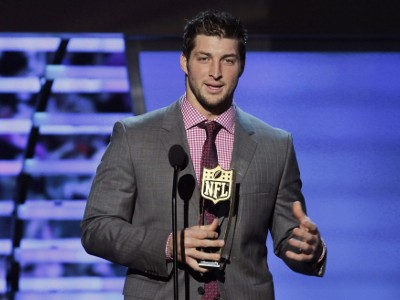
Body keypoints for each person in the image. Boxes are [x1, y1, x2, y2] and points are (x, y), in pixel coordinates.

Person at [81, 10, 327, 300]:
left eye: (228, 60)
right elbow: (97, 228)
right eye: (204, 58)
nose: (215, 72)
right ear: (184, 62)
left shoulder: (275, 145)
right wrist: (169, 245)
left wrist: (309, 249)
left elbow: (290, 239)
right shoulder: (134, 136)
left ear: (242, 66)